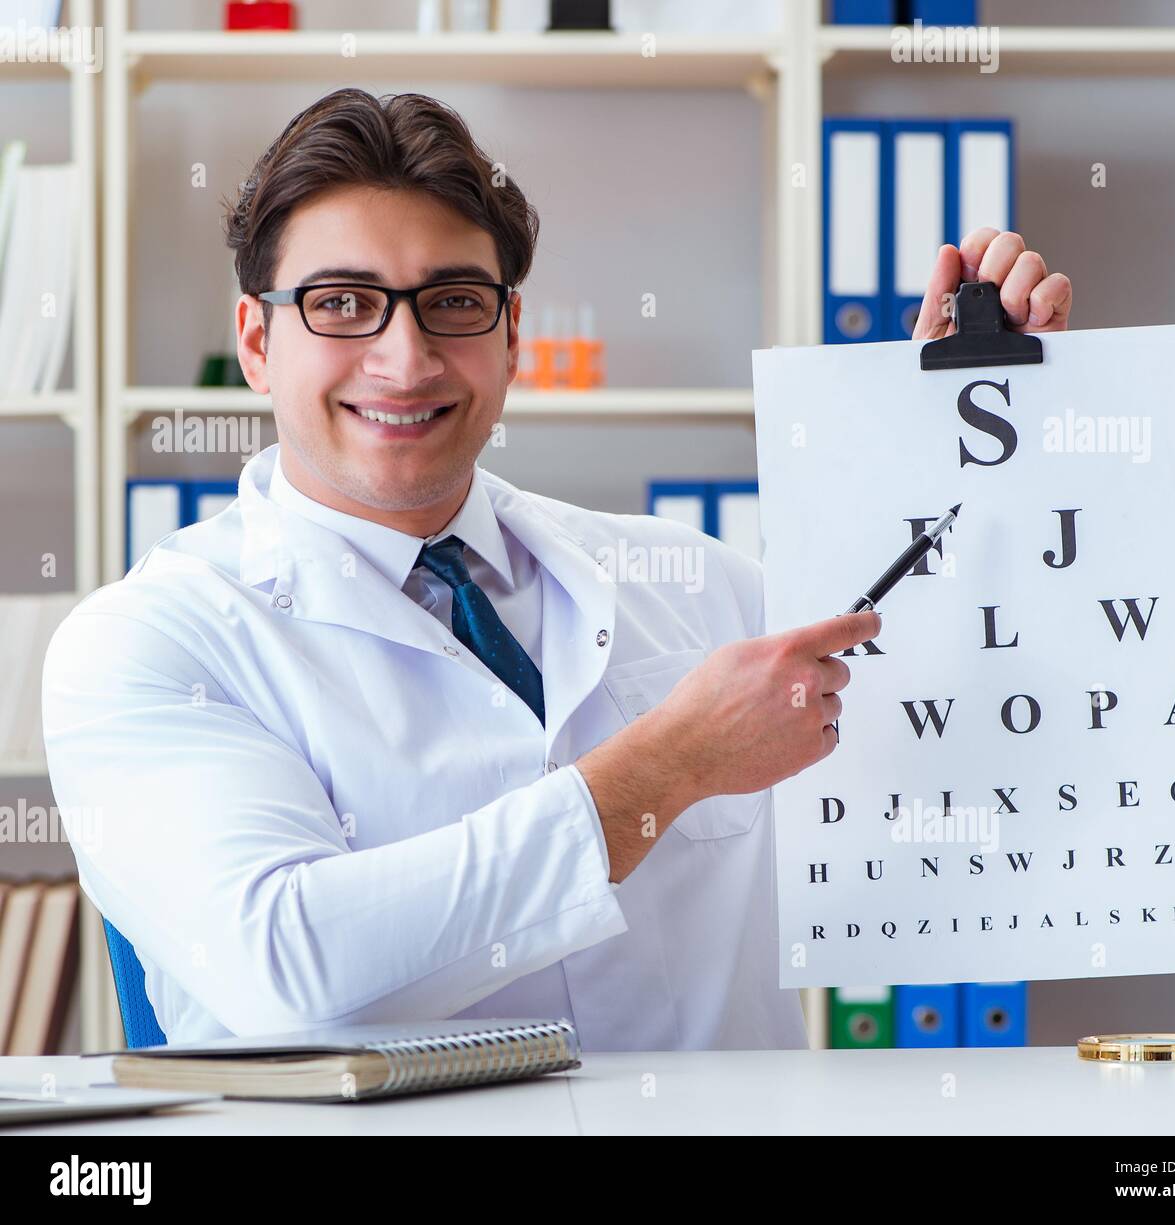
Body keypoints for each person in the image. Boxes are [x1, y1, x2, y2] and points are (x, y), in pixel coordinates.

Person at [43, 89, 1071, 1049]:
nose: (404, 357)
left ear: (511, 336)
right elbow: (287, 971)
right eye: (343, 303)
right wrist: (664, 767)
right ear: (257, 342)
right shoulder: (146, 644)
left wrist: (964, 435)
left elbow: (971, 751)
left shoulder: (696, 580)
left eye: (453, 300)